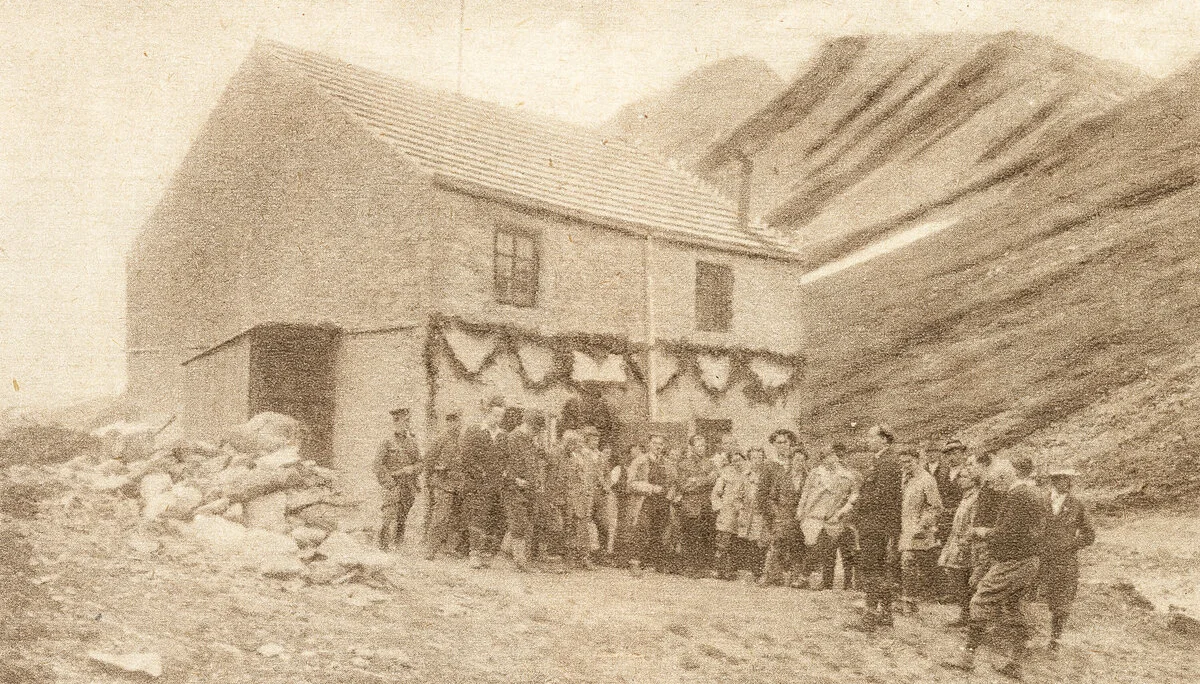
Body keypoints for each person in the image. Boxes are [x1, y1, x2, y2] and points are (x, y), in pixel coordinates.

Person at [945, 455, 1047, 680]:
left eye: (997, 480)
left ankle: (967, 658)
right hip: (1027, 560)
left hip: (1014, 561)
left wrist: (982, 533)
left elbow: (1007, 533)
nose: (996, 485)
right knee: (1013, 607)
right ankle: (1016, 663)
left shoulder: (1018, 495)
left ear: (1007, 475)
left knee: (980, 601)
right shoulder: (1033, 493)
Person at [849, 424, 903, 632]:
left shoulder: (888, 462)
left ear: (883, 439)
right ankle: (885, 614)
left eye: (871, 437)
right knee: (878, 570)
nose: (868, 440)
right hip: (875, 524)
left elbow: (883, 497)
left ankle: (871, 614)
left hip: (878, 525)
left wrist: (857, 500)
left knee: (873, 568)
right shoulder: (881, 460)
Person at [1038, 466, 1095, 652]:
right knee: (1022, 593)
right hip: (1039, 557)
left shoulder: (1077, 505)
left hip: (1064, 561)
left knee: (1061, 602)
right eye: (1057, 478)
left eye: (1065, 479)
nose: (1061, 482)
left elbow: (1089, 535)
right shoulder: (1041, 501)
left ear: (1070, 481)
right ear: (1052, 480)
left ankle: (1055, 640)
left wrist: (1069, 544)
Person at [796, 442, 860, 590]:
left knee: (825, 547)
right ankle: (821, 580)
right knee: (816, 547)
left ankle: (810, 578)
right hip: (814, 515)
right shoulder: (815, 473)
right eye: (825, 457)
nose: (829, 459)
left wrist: (844, 510)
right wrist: (800, 510)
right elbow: (805, 492)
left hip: (835, 517)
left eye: (831, 456)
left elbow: (854, 495)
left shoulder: (847, 476)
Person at [461, 395, 509, 569]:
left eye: (500, 417)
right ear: (487, 413)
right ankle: (474, 553)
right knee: (478, 518)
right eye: (495, 415)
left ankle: (487, 554)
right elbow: (466, 457)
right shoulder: (474, 431)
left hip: (497, 485)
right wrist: (479, 473)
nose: (497, 419)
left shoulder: (503, 436)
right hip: (478, 484)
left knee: (496, 519)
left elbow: (506, 459)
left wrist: (504, 472)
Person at [898, 446, 943, 613]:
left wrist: (922, 524)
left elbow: (936, 507)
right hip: (903, 527)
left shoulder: (927, 480)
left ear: (917, 460)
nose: (905, 465)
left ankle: (910, 601)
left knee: (909, 562)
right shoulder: (902, 478)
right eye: (902, 462)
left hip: (919, 530)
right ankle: (907, 599)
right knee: (903, 563)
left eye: (909, 461)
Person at [938, 457, 981, 627]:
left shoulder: (975, 498)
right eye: (960, 477)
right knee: (955, 576)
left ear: (973, 480)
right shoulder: (965, 497)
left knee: (965, 578)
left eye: (965, 477)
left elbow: (973, 522)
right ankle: (965, 613)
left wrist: (965, 541)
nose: (960, 480)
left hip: (967, 544)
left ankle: (970, 615)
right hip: (956, 541)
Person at [758, 429, 804, 586]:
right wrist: (772, 514)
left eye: (785, 442)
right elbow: (763, 494)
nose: (782, 446)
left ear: (791, 443)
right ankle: (771, 575)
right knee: (776, 543)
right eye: (778, 443)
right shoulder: (770, 465)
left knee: (797, 544)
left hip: (797, 513)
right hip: (776, 513)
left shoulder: (798, 463)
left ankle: (795, 577)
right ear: (773, 445)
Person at [625, 434, 676, 576]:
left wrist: (671, 493)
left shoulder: (668, 463)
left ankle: (656, 562)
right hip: (645, 502)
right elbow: (630, 484)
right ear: (649, 444)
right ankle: (635, 563)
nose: (658, 446)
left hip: (662, 502)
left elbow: (673, 482)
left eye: (661, 444)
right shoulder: (639, 461)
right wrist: (650, 487)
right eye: (655, 443)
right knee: (641, 530)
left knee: (660, 531)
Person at [503, 408, 546, 572]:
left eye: (538, 430)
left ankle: (507, 551)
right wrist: (515, 480)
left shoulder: (531, 441)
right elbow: (503, 464)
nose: (536, 433)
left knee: (527, 521)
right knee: (518, 522)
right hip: (514, 487)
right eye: (535, 429)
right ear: (527, 424)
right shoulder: (512, 438)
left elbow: (539, 462)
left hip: (529, 488)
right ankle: (520, 561)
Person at [374, 408, 422, 551]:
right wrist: (389, 483)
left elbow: (420, 462)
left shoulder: (412, 442)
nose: (408, 423)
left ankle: (398, 544)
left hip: (408, 484)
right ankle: (383, 545)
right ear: (396, 421)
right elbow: (377, 465)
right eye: (405, 421)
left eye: (408, 421)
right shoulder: (387, 441)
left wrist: (412, 469)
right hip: (393, 483)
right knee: (388, 515)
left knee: (403, 515)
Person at [673, 434, 719, 578]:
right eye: (699, 445)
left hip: (707, 504)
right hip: (690, 505)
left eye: (704, 445)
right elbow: (684, 486)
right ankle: (690, 567)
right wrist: (705, 480)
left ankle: (702, 567)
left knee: (706, 535)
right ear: (692, 447)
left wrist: (696, 481)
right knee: (690, 536)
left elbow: (715, 481)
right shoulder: (683, 464)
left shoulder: (710, 463)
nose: (702, 448)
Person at [423, 411, 464, 560]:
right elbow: (428, 461)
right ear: (448, 423)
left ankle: (450, 547)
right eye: (452, 422)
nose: (456, 425)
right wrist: (430, 482)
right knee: (440, 518)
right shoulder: (440, 439)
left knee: (456, 518)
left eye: (458, 421)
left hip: (458, 486)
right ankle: (431, 549)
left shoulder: (462, 440)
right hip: (442, 485)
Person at [710, 437, 747, 581]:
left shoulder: (746, 474)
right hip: (727, 511)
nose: (737, 462)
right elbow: (716, 493)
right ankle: (719, 569)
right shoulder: (726, 473)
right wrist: (720, 508)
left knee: (735, 542)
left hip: (741, 512)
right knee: (723, 541)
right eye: (735, 460)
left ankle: (731, 570)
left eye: (740, 459)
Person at [563, 430, 599, 570]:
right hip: (571, 496)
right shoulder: (567, 457)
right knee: (570, 526)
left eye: (580, 442)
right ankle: (570, 557)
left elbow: (590, 476)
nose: (579, 445)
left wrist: (589, 492)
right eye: (576, 442)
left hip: (584, 496)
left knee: (584, 527)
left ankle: (584, 557)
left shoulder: (586, 456)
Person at [736, 446, 769, 576]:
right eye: (754, 458)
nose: (757, 461)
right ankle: (754, 571)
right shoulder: (745, 476)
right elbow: (738, 496)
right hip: (748, 513)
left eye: (760, 458)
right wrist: (741, 510)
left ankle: (760, 571)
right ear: (749, 460)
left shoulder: (767, 475)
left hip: (762, 513)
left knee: (761, 541)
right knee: (750, 541)